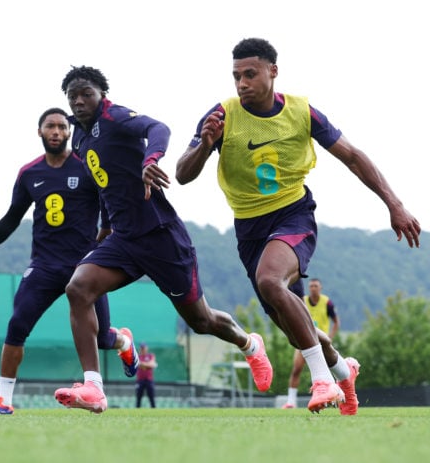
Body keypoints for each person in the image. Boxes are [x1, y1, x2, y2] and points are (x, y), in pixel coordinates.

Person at [176, 37, 421, 415]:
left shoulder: (302, 112)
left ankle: (321, 381)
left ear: (273, 71)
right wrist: (205, 145)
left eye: (250, 74)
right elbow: (182, 174)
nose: (242, 83)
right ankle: (343, 369)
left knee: (270, 281)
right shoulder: (222, 116)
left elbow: (353, 157)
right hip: (249, 230)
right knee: (295, 327)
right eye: (236, 76)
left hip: (293, 215)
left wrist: (395, 204)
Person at [53, 65, 273, 414]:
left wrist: (151, 159)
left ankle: (249, 344)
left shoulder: (115, 117)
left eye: (86, 94)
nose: (79, 101)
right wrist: (106, 225)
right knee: (78, 288)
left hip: (161, 237)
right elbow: (105, 182)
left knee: (201, 322)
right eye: (72, 96)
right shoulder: (79, 138)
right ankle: (94, 388)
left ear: (101, 96)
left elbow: (159, 128)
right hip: (124, 239)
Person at [0, 107, 139, 415]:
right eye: (51, 126)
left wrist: (102, 241)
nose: (57, 131)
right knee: (17, 324)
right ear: (40, 132)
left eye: (62, 126)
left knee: (102, 338)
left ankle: (123, 342)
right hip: (44, 266)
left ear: (69, 132)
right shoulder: (30, 173)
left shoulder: (87, 166)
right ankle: (3, 400)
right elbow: (11, 218)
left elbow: (109, 207)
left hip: (85, 267)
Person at [282, 278, 340, 408]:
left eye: (316, 286)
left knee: (330, 369)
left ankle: (337, 395)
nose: (313, 288)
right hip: (304, 340)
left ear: (320, 288)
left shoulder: (327, 303)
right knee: (296, 369)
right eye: (311, 286)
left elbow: (336, 321)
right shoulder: (303, 301)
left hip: (321, 342)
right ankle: (291, 402)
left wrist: (330, 337)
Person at [135, 342, 158, 408]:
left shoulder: (151, 355)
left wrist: (142, 364)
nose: (142, 349)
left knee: (151, 397)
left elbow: (152, 364)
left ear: (146, 348)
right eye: (141, 348)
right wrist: (148, 365)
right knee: (138, 398)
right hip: (140, 380)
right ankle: (137, 411)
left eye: (144, 347)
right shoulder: (137, 356)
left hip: (149, 380)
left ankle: (154, 411)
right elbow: (138, 364)